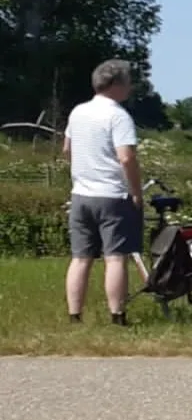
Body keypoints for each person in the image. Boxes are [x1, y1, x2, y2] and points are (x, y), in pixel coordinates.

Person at [62, 60, 144, 326]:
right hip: (111, 194)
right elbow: (126, 158)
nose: (130, 88)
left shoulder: (78, 112)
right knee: (115, 257)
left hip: (81, 194)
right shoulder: (118, 116)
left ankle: (75, 315)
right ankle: (117, 315)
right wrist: (135, 192)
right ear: (116, 85)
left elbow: (67, 149)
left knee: (81, 258)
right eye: (128, 82)